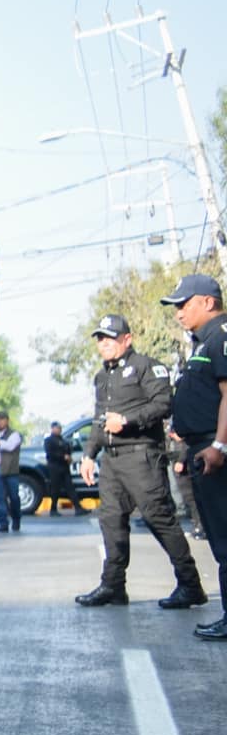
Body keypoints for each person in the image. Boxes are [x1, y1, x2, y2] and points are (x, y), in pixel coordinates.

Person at [74, 314, 207, 610]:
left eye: (110, 338)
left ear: (127, 339)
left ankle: (190, 584)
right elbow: (99, 418)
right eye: (100, 339)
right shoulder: (102, 377)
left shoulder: (147, 366)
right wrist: (88, 453)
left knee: (158, 518)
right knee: (111, 520)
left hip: (141, 455)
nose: (104, 344)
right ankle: (113, 586)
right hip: (112, 461)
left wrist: (128, 420)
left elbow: (163, 404)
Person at [162, 274, 227, 640]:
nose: (179, 313)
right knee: (220, 539)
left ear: (207, 301)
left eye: (184, 305)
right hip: (201, 448)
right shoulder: (205, 342)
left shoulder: (221, 337)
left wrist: (219, 446)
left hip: (215, 450)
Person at [0, 411, 24, 532]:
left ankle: (16, 519)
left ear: (7, 420)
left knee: (13, 497)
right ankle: (3, 522)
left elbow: (10, 446)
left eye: (2, 419)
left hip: (10, 469)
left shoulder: (14, 434)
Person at [41, 423, 77, 513]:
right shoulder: (48, 440)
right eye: (57, 428)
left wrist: (68, 457)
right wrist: (62, 456)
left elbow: (68, 450)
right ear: (52, 429)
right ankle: (53, 509)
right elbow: (50, 453)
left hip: (64, 466)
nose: (59, 430)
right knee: (55, 489)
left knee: (70, 487)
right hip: (54, 466)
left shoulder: (63, 440)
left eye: (60, 428)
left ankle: (78, 507)